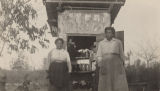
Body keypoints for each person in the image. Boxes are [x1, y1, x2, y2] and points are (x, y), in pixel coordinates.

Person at [96, 27, 129, 91]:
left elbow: (122, 54)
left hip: (116, 65)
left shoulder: (118, 42)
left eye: (110, 32)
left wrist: (122, 65)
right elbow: (99, 55)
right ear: (105, 34)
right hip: (105, 65)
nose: (108, 34)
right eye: (107, 32)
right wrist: (101, 66)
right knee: (106, 83)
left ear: (113, 34)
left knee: (117, 83)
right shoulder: (101, 43)